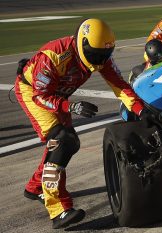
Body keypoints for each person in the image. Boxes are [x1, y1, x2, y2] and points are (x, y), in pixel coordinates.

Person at [15, 18, 144, 229]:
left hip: (59, 95)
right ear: (81, 43)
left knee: (68, 143)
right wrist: (70, 106)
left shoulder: (102, 58)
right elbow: (40, 96)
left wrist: (140, 110)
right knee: (62, 141)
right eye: (94, 54)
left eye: (105, 55)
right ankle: (58, 209)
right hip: (34, 93)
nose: (99, 61)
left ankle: (34, 186)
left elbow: (120, 86)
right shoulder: (54, 56)